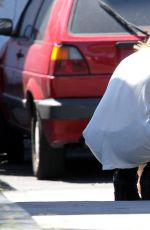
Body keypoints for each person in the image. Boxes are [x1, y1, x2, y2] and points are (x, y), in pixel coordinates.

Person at [83, 38, 150, 201]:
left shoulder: (132, 59)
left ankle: (124, 184)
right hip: (139, 136)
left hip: (102, 137)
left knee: (125, 177)